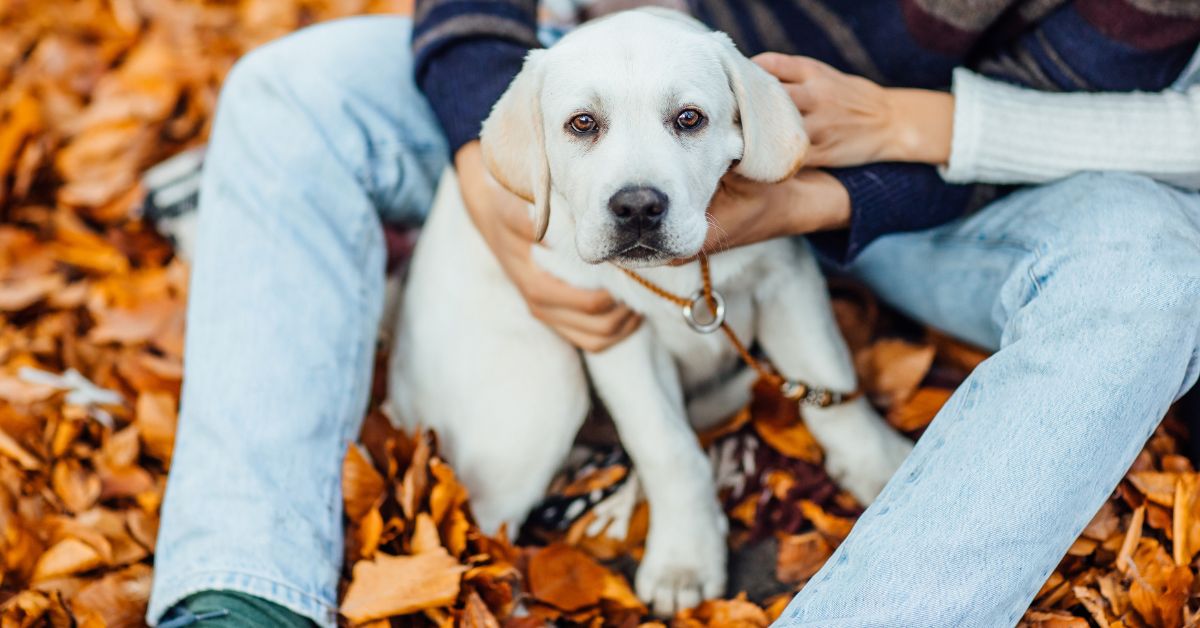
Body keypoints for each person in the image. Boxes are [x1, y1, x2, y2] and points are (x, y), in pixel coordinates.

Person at [147, 1, 1200, 626]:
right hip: (636, 74)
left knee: (1155, 267)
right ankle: (245, 584)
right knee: (286, 88)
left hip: (967, 169)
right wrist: (482, 155)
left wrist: (866, 163)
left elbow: (1148, 123)